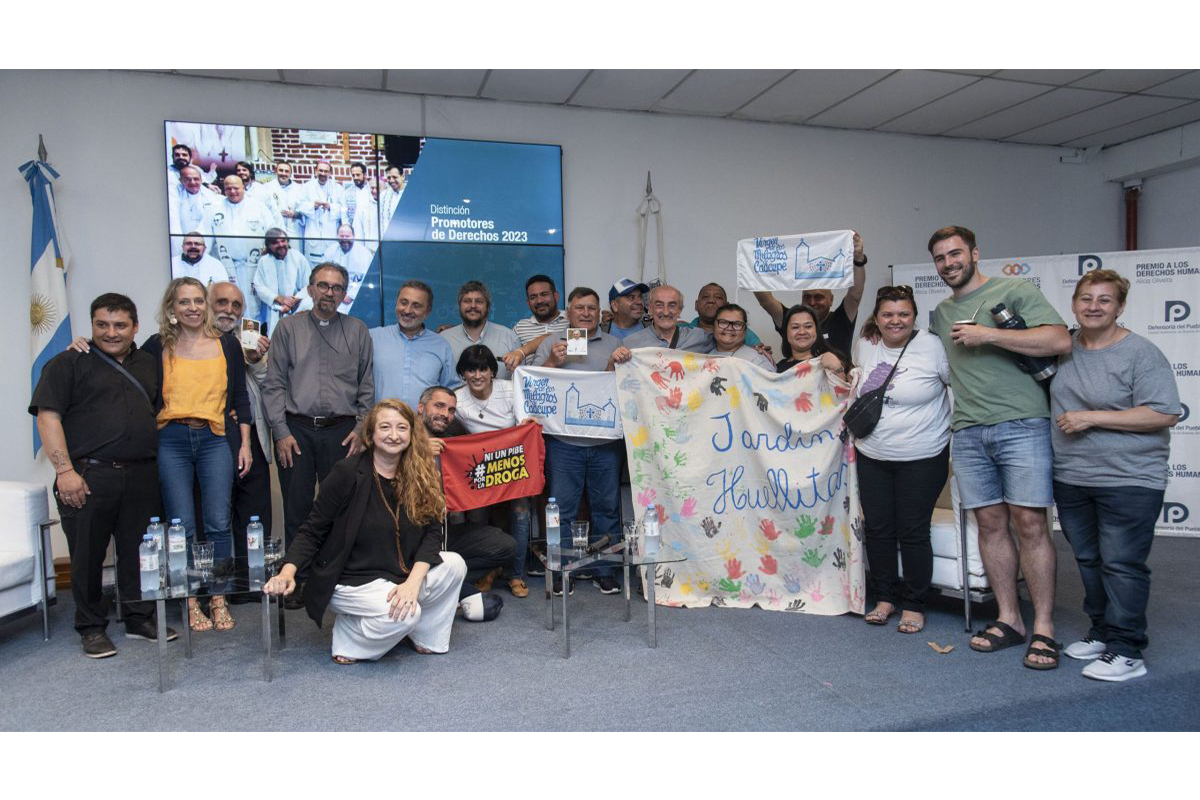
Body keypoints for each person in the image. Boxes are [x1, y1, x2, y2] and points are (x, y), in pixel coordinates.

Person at [927, 225, 1072, 670]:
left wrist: (988, 334)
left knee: (1030, 523)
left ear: (974, 253)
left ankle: (1043, 625)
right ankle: (1010, 619)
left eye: (955, 253)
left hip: (1022, 424)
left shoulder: (1014, 289)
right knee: (989, 525)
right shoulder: (939, 312)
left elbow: (1059, 340)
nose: (949, 263)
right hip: (968, 430)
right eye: (940, 258)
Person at [263, 400, 467, 663]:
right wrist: (288, 570)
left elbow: (432, 533)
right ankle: (349, 639)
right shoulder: (346, 473)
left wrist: (412, 583)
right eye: (385, 427)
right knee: (409, 612)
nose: (394, 435)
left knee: (455, 565)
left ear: (411, 434)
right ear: (370, 435)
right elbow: (312, 529)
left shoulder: (420, 473)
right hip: (350, 580)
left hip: (399, 573)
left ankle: (425, 636)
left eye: (402, 428)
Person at [30, 294, 177, 658]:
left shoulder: (149, 363)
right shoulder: (68, 362)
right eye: (102, 325)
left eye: (120, 325)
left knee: (137, 554)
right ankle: (91, 626)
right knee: (87, 555)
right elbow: (47, 417)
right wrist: (64, 471)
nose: (111, 333)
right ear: (92, 325)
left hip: (141, 474)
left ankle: (138, 617)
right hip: (87, 475)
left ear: (135, 327)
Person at [1050, 270, 1181, 681]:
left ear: (1120, 307)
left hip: (1130, 478)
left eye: (1104, 300)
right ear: (1073, 304)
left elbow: (1164, 412)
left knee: (1122, 563)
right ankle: (1102, 632)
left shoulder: (1141, 352)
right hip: (1073, 475)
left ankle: (1127, 649)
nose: (1093, 306)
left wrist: (1090, 417)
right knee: (1089, 559)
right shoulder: (1062, 348)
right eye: (1086, 298)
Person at [262, 262, 375, 608]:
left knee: (340, 507)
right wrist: (280, 431)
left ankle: (333, 578)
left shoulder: (357, 330)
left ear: (344, 293)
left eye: (337, 287)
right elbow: (274, 384)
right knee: (297, 508)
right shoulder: (287, 327)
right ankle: (296, 579)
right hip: (294, 431)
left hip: (343, 432)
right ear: (309, 290)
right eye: (323, 285)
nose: (329, 292)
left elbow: (367, 387)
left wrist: (360, 427)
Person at [143, 278, 252, 633]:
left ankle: (218, 596)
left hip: (215, 438)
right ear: (171, 308)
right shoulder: (156, 345)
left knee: (219, 522)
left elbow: (239, 398)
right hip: (171, 439)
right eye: (183, 302)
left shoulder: (227, 345)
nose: (192, 308)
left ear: (206, 305)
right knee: (182, 525)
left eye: (198, 301)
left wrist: (246, 444)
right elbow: (123, 372)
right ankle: (191, 600)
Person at [851, 286, 951, 634]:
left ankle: (915, 604)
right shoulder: (865, 343)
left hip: (922, 455)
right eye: (888, 315)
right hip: (872, 453)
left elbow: (956, 386)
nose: (896, 320)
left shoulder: (933, 346)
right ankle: (885, 598)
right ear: (876, 319)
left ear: (914, 317)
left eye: (903, 314)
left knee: (912, 530)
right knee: (878, 530)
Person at [535, 288, 628, 595]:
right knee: (562, 510)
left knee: (607, 509)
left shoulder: (615, 344)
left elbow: (623, 388)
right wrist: (551, 360)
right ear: (569, 313)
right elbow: (533, 385)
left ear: (600, 312)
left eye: (591, 308)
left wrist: (618, 364)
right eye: (579, 308)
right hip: (563, 443)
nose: (586, 313)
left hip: (605, 444)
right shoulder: (553, 343)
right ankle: (564, 571)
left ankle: (606, 571)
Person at [416, 386, 517, 595]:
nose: (445, 414)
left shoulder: (454, 436)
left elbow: (484, 456)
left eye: (451, 410)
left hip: (444, 529)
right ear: (421, 408)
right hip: (410, 532)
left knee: (505, 545)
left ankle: (448, 584)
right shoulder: (401, 435)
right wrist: (418, 450)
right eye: (439, 406)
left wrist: (524, 429)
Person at [453, 346, 533, 597]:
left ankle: (516, 575)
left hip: (513, 462)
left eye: (483, 368)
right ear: (463, 373)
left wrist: (529, 424)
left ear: (492, 371)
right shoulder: (457, 400)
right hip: (479, 467)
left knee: (521, 514)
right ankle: (486, 572)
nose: (477, 375)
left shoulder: (509, 389)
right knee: (476, 519)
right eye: (471, 369)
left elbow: (524, 421)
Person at [210, 282, 275, 577]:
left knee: (254, 514)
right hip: (209, 439)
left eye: (236, 305)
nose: (229, 310)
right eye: (222, 302)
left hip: (253, 438)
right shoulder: (191, 342)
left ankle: (253, 578)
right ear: (208, 304)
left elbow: (270, 388)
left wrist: (257, 360)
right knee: (216, 515)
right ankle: (218, 583)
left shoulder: (250, 341)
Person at [754, 231, 868, 356]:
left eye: (819, 297)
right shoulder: (791, 320)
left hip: (835, 374)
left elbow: (855, 295)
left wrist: (858, 260)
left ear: (831, 299)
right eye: (807, 297)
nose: (812, 302)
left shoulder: (840, 320)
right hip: (797, 374)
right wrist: (753, 268)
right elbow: (767, 302)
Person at [370, 281, 457, 409]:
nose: (408, 310)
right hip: (381, 425)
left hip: (424, 427)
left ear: (427, 312)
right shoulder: (372, 337)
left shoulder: (441, 345)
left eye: (416, 305)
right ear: (396, 304)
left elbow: (451, 390)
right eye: (404, 302)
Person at [212, 174, 279, 321]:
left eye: (236, 188)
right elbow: (205, 235)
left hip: (253, 265)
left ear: (243, 188)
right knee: (229, 300)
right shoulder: (215, 208)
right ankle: (233, 335)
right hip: (228, 266)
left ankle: (254, 338)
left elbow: (272, 230)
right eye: (228, 188)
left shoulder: (258, 207)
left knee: (253, 302)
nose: (232, 191)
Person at [439, 281, 522, 381]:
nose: (473, 306)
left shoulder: (509, 338)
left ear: (488, 306)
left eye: (479, 301)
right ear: (459, 306)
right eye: (467, 301)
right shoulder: (443, 340)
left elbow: (520, 380)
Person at [505, 274, 569, 371]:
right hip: (533, 384)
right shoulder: (520, 328)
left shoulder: (570, 320)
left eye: (544, 294)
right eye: (533, 297)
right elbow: (512, 361)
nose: (539, 301)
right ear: (528, 303)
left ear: (556, 296)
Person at [624, 284, 715, 352]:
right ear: (650, 309)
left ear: (679, 310)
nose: (666, 312)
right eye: (659, 305)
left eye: (672, 306)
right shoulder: (631, 343)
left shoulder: (699, 337)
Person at [254, 228, 312, 331]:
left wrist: (293, 301)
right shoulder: (264, 261)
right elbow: (259, 286)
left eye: (283, 241)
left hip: (298, 306)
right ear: (269, 246)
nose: (281, 244)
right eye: (276, 242)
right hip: (275, 308)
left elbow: (309, 285)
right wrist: (279, 298)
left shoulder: (297, 257)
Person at [774, 304, 848, 376]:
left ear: (816, 330)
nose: (802, 332)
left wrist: (837, 368)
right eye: (795, 327)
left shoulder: (833, 360)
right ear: (786, 333)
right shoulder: (777, 369)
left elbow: (846, 387)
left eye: (808, 326)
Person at [298, 160, 345, 265]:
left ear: (330, 173)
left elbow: (344, 210)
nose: (323, 174)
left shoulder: (338, 188)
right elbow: (300, 206)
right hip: (313, 231)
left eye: (326, 171)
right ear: (315, 171)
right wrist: (312, 206)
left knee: (332, 264)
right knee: (313, 266)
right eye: (320, 170)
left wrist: (330, 207)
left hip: (331, 231)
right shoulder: (306, 187)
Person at [688, 283, 763, 346]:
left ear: (727, 306)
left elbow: (760, 352)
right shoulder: (681, 331)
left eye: (718, 297)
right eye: (705, 297)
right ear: (696, 305)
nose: (711, 301)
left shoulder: (742, 333)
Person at [168, 165, 218, 257]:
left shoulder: (212, 198)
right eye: (187, 179)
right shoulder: (175, 197)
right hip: (184, 243)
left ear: (201, 180)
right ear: (181, 181)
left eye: (196, 179)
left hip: (206, 246)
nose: (193, 182)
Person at [711, 303, 775, 370]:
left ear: (745, 330)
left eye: (737, 324)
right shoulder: (705, 356)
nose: (729, 328)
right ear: (713, 327)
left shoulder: (757, 360)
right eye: (723, 322)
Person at [260, 160, 305, 243]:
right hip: (275, 230)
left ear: (291, 173)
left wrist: (295, 214)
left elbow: (305, 210)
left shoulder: (299, 189)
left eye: (287, 171)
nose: (283, 173)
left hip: (294, 230)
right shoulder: (266, 188)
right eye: (281, 170)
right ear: (275, 171)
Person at [343, 161, 378, 248]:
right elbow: (344, 214)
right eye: (353, 175)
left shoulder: (372, 190)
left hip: (372, 228)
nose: (355, 177)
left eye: (358, 175)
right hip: (356, 230)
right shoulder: (347, 193)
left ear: (365, 174)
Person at [379, 164, 405, 232]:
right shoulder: (383, 196)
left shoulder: (411, 194)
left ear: (402, 176)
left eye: (394, 177)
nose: (391, 180)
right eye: (389, 178)